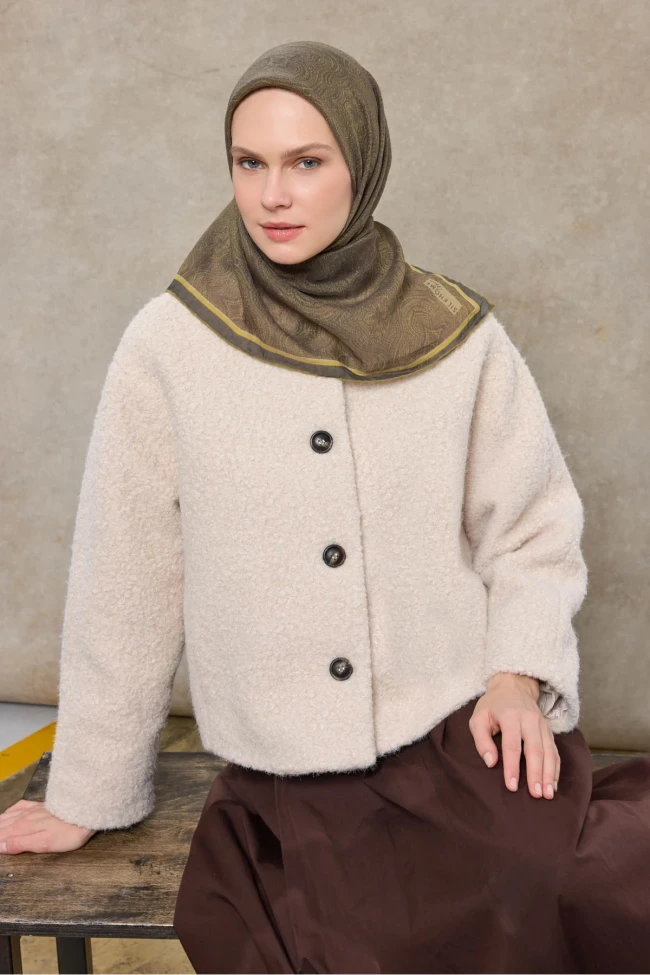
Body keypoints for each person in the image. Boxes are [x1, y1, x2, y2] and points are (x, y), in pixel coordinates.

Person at [1, 40, 649, 974]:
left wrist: (517, 674)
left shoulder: (460, 336)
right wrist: (89, 793)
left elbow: (533, 530)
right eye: (249, 162)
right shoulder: (168, 346)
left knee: (576, 889)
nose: (273, 194)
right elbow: (125, 579)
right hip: (288, 780)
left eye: (306, 162)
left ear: (362, 162)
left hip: (457, 741)